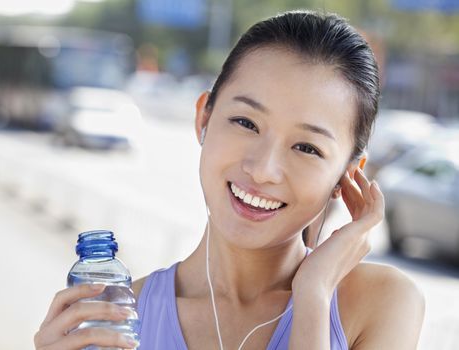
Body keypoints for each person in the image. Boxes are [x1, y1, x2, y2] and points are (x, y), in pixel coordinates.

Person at [34, 10, 425, 350]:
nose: (262, 170)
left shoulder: (381, 304)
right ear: (204, 117)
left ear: (348, 176)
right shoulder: (115, 318)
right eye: (245, 122)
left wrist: (314, 293)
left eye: (306, 148)